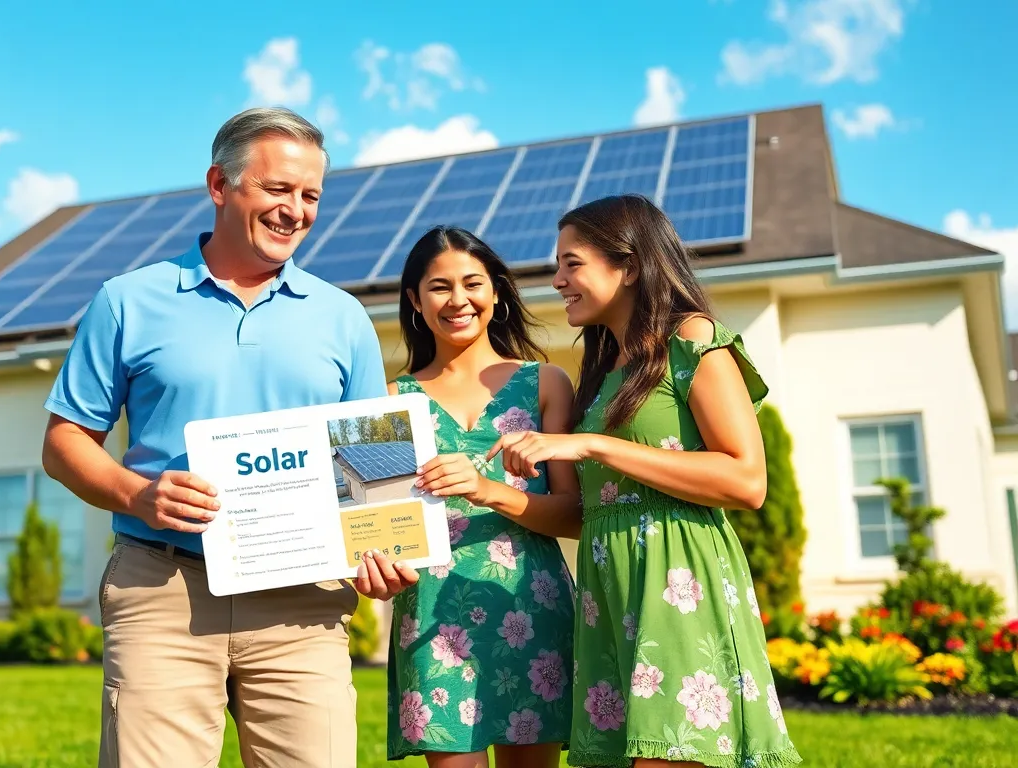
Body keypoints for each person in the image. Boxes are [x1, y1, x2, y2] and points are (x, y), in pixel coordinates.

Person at [40, 106, 420, 768]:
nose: (296, 210)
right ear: (220, 185)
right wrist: (137, 494)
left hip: (304, 607)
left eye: (310, 196)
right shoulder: (128, 300)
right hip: (164, 589)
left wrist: (382, 549)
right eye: (278, 190)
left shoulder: (344, 318)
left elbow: (372, 464)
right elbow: (64, 441)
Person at [485, 194, 802, 768]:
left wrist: (594, 443)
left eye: (571, 263)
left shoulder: (692, 338)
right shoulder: (604, 369)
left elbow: (748, 479)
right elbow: (590, 512)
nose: (556, 280)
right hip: (609, 591)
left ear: (628, 265)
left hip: (679, 581)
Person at [384, 225, 582, 767]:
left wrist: (489, 490)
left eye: (472, 283)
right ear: (415, 301)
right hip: (431, 615)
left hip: (531, 605)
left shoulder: (546, 382)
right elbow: (380, 525)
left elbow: (574, 514)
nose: (458, 300)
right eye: (438, 287)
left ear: (495, 290)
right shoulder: (393, 401)